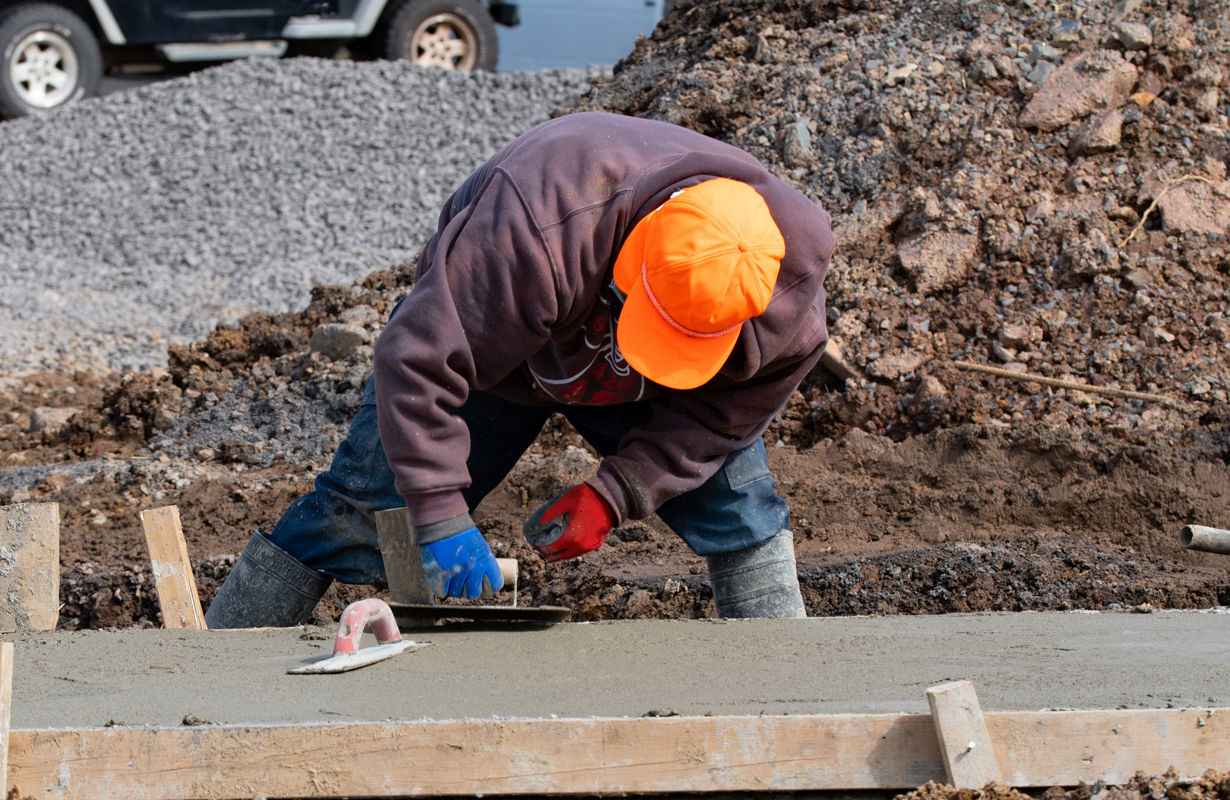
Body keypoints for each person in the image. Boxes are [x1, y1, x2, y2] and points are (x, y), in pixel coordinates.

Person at [203, 111, 833, 627]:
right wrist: (441, 514)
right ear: (632, 261)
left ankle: (780, 688)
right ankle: (208, 674)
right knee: (361, 506)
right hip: (496, 357)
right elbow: (417, 361)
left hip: (646, 387)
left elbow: (721, 420)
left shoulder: (785, 296)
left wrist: (615, 494)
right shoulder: (538, 222)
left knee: (740, 509)